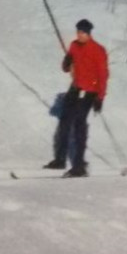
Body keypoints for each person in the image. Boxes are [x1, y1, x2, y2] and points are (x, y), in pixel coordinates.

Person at [46, 19, 109, 178]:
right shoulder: (74, 46)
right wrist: (67, 62)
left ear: (89, 34)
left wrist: (100, 97)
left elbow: (103, 75)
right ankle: (60, 159)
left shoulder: (97, 50)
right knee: (64, 121)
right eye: (78, 32)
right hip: (75, 88)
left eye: (83, 33)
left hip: (89, 92)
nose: (80, 35)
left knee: (79, 124)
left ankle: (79, 166)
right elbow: (66, 68)